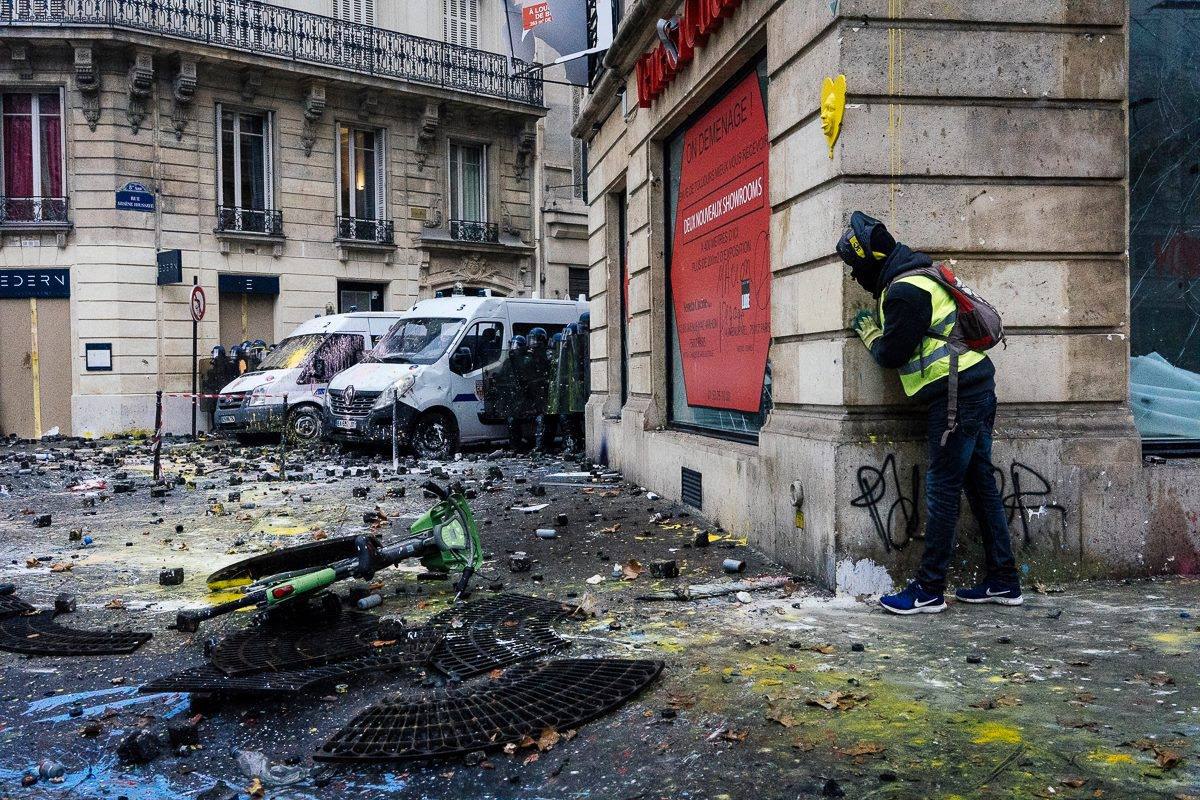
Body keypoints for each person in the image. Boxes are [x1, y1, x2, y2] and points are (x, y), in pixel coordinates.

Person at [837, 210, 1021, 615]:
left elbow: (892, 353)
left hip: (957, 400)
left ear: (870, 261)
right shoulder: (922, 276)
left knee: (941, 490)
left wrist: (870, 334)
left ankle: (929, 589)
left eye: (855, 267)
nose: (854, 277)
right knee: (979, 485)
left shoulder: (905, 291)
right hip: (975, 390)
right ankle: (1005, 579)